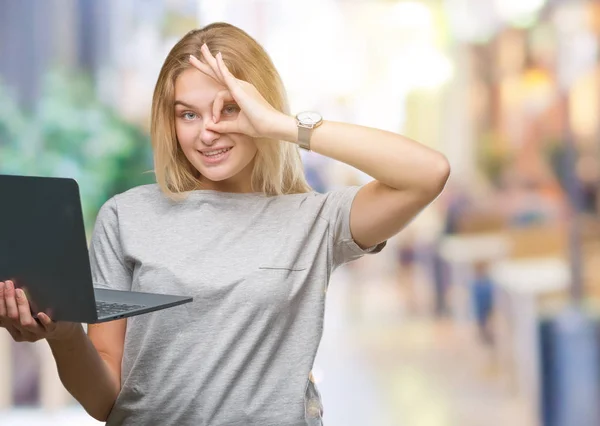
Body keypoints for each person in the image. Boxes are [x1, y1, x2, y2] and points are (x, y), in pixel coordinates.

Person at [0, 22, 450, 426]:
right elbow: (104, 402)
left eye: (229, 108)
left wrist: (282, 124)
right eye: (188, 114)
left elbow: (427, 173)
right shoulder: (125, 216)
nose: (207, 131)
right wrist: (62, 335)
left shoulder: (315, 219)